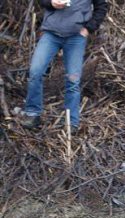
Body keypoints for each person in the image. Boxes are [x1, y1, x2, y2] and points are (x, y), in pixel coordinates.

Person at [20, 0, 109, 131]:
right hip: (51, 35)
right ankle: (33, 115)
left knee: (73, 80)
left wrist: (88, 28)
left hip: (76, 37)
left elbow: (101, 7)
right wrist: (51, 3)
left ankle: (71, 122)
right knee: (35, 72)